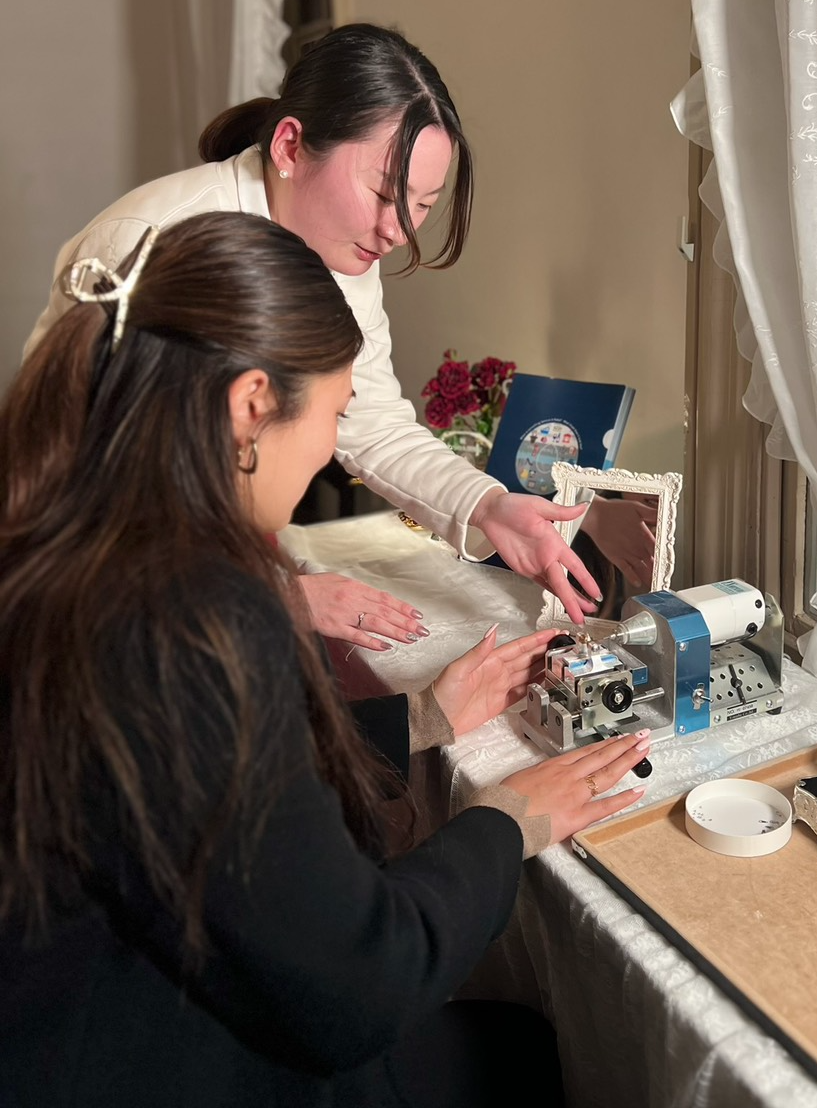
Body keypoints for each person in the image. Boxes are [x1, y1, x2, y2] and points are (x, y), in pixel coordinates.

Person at [0, 211, 652, 1107]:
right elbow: (361, 985)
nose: (325, 457)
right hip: (144, 1058)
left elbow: (204, 782)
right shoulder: (196, 613)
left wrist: (418, 717)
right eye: (336, 417)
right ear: (251, 404)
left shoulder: (69, 540)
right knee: (528, 1053)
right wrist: (507, 821)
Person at [24, 21, 604, 653]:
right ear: (290, 146)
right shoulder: (152, 241)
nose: (399, 231)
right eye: (383, 192)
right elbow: (86, 491)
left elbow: (372, 423)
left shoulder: (342, 255)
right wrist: (274, 595)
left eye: (423, 204)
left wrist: (487, 506)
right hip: (112, 586)